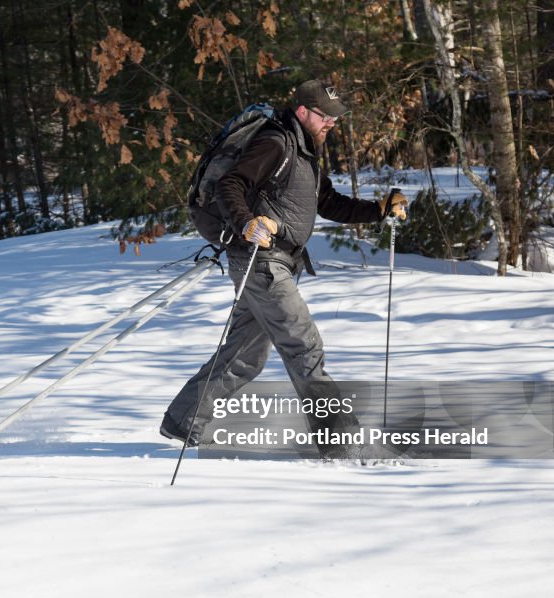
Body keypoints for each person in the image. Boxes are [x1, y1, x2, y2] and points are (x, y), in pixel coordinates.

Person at [160, 79, 408, 458]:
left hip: (273, 263)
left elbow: (328, 202)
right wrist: (245, 223)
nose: (331, 125)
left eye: (335, 119)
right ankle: (342, 442)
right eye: (326, 117)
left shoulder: (305, 151)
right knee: (304, 346)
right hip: (261, 262)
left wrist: (377, 210)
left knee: (244, 357)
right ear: (303, 112)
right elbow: (232, 184)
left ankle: (183, 419)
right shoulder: (276, 143)